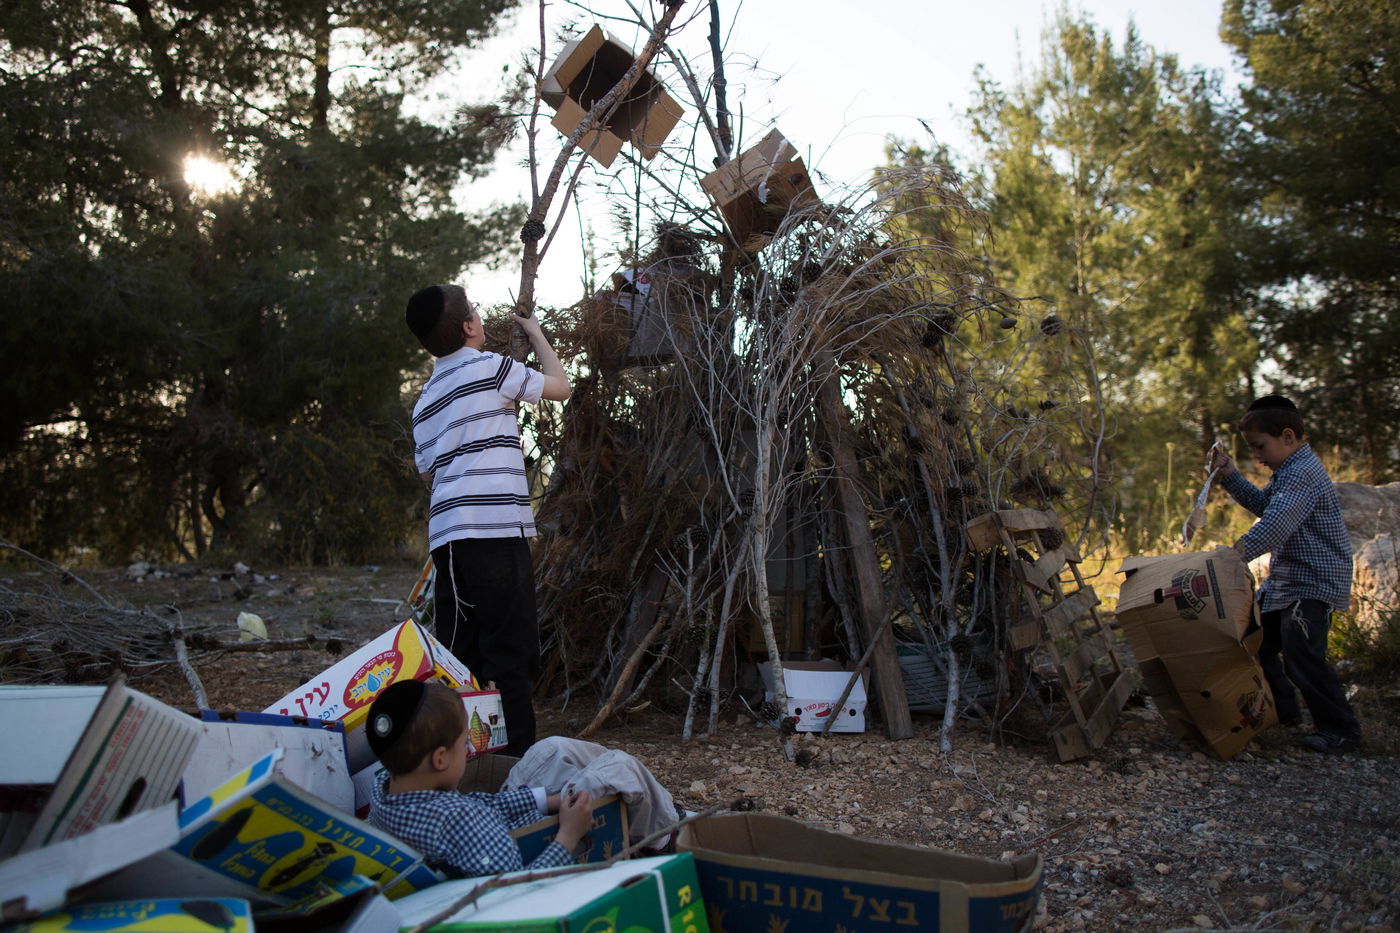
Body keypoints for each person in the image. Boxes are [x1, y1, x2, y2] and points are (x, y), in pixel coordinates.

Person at [405, 285, 571, 757]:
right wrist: (536, 335)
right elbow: (560, 387)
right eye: (475, 311)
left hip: (450, 539)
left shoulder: (425, 399)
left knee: (463, 655)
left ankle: (467, 760)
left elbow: (426, 472)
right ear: (470, 327)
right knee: (511, 653)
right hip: (497, 529)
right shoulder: (491, 368)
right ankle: (517, 764)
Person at [365, 681, 684, 879]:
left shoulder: (384, 796)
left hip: (497, 827)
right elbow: (516, 885)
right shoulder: (462, 821)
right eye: (464, 743)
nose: (469, 749)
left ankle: (654, 809)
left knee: (551, 748)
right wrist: (569, 837)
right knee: (620, 767)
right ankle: (662, 839)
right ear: (440, 759)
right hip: (531, 842)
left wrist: (548, 798)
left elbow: (478, 803)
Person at [1208, 395, 1362, 753]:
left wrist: (1231, 558)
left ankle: (1341, 729)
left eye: (1260, 446)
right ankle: (1284, 712)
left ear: (1288, 436)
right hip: (1288, 583)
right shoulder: (1289, 472)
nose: (1257, 456)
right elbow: (1265, 507)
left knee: (1303, 653)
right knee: (1259, 643)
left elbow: (1274, 527)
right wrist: (1230, 475)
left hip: (1313, 583)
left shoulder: (1303, 475)